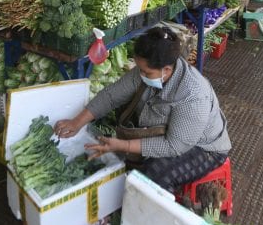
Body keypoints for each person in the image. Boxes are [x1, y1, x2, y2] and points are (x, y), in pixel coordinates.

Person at [54, 27, 231, 193]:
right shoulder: (148, 70)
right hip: (165, 133)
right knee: (127, 147)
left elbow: (174, 145)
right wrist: (77, 122)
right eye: (140, 69)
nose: (141, 75)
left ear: (167, 70)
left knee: (154, 176)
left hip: (203, 147)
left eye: (146, 72)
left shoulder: (193, 95)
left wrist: (123, 145)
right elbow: (111, 96)